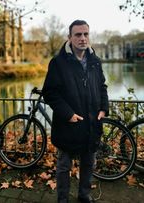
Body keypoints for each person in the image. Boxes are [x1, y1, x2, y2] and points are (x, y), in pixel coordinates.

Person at [42, 19, 109, 203]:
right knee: (64, 166)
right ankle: (62, 199)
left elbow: (102, 86)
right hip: (68, 125)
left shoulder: (95, 61)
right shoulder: (58, 63)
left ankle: (84, 195)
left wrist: (104, 108)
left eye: (85, 34)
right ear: (69, 37)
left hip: (92, 123)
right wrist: (68, 114)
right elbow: (50, 93)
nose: (82, 38)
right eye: (78, 34)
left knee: (89, 163)